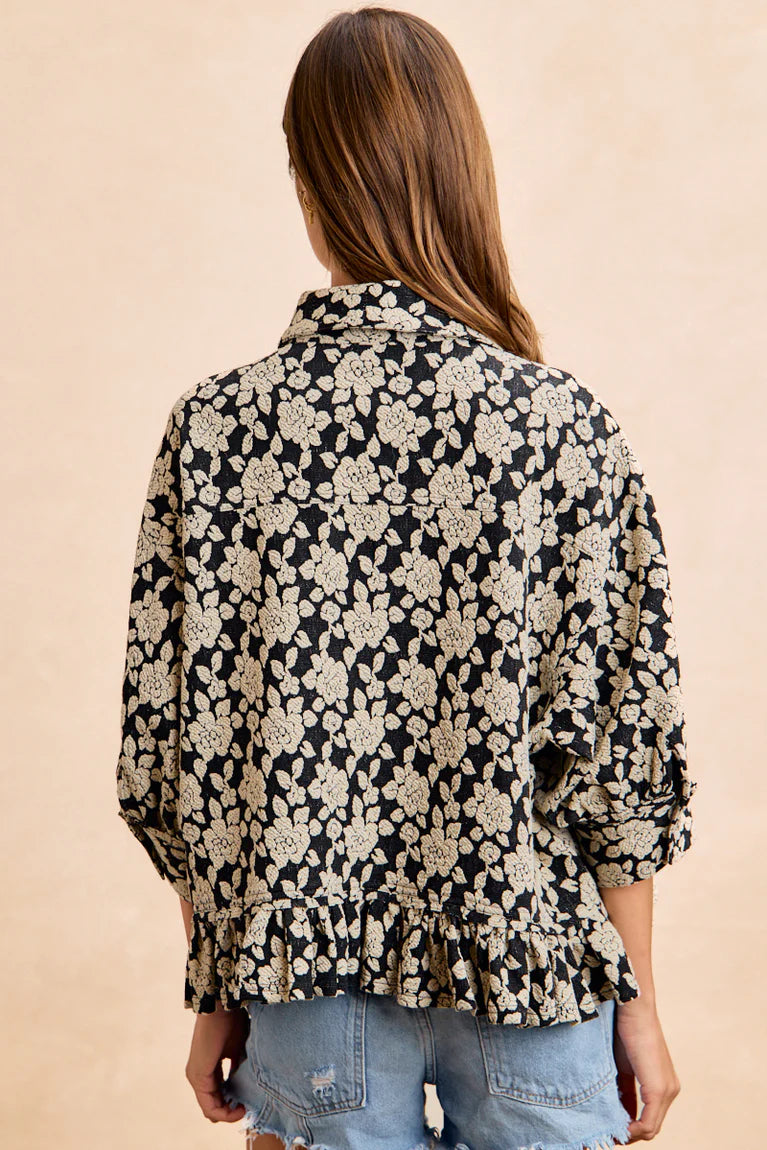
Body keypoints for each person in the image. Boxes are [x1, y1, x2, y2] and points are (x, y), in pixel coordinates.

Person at [115, 8, 699, 1150]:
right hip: (534, 971)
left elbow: (179, 759)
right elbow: (622, 755)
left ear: (307, 182)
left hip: (305, 989)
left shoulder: (216, 432)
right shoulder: (562, 427)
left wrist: (220, 984)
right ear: (462, 171)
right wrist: (637, 1002)